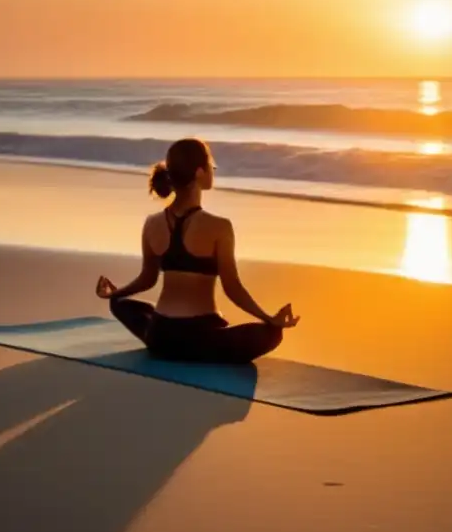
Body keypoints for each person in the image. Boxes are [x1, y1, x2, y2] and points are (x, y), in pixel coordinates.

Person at [95, 138, 299, 364]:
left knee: (119, 303)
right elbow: (232, 288)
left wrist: (115, 294)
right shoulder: (220, 227)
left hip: (160, 335)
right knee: (271, 334)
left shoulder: (152, 224)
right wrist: (269, 319)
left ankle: (118, 301)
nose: (213, 170)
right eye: (211, 165)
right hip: (201, 339)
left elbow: (147, 279)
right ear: (200, 172)